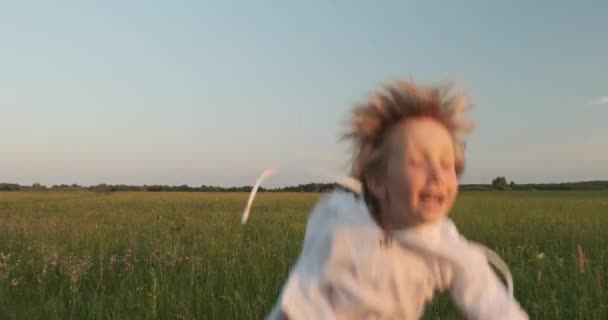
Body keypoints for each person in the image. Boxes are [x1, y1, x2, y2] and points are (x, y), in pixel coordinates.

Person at [266, 80, 529, 319]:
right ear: (378, 181)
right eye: (417, 162)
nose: (436, 174)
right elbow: (303, 300)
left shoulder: (443, 242)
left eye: (447, 164)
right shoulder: (340, 225)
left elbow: (487, 297)